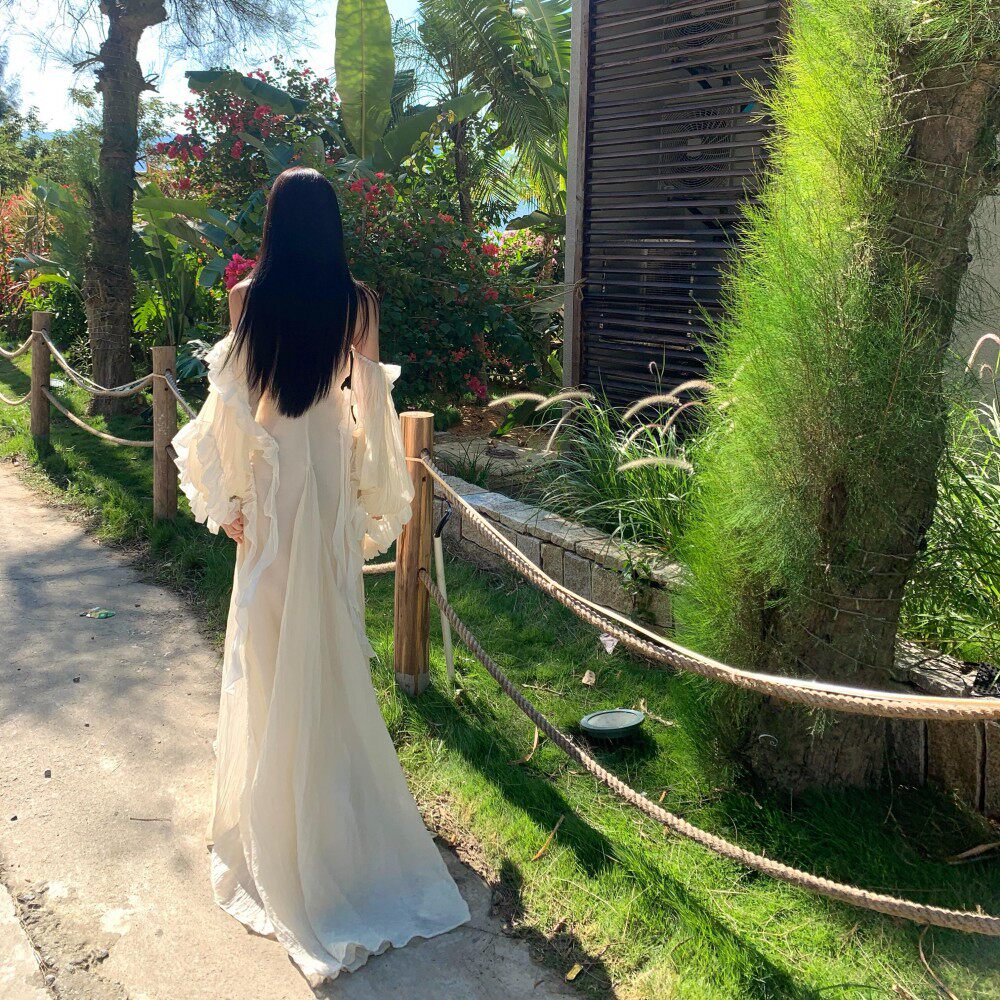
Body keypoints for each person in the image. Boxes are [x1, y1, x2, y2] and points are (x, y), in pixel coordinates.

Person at [172, 166, 469, 984]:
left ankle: (278, 814)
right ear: (332, 226)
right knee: (332, 638)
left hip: (275, 486)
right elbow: (371, 411)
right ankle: (336, 812)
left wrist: (229, 499)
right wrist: (374, 496)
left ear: (274, 224)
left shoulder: (247, 299)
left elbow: (231, 408)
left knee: (269, 642)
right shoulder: (357, 304)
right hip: (326, 480)